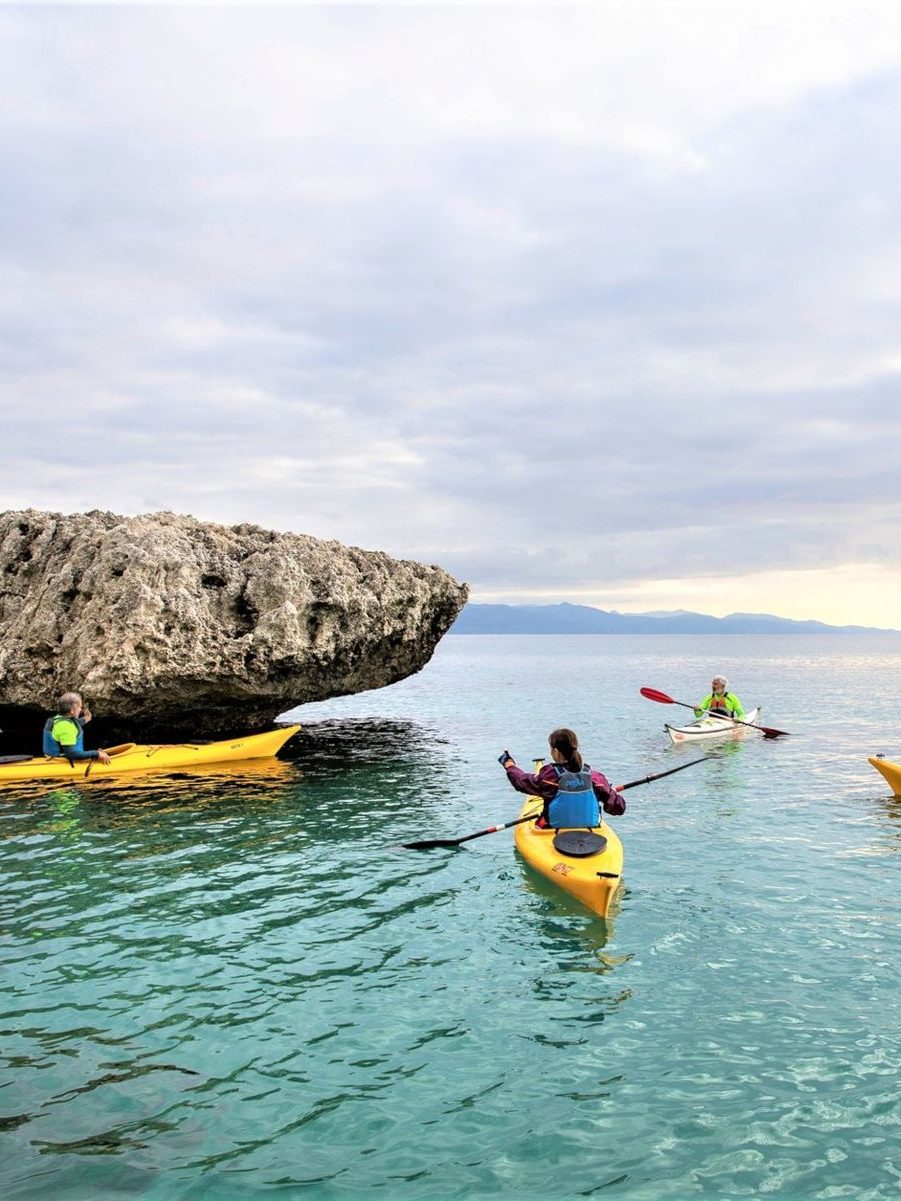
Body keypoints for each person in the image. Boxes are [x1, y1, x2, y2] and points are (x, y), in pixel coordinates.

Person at [499, 727, 624, 829]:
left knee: (542, 820)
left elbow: (521, 782)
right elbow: (618, 808)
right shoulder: (596, 778)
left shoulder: (549, 777)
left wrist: (510, 767)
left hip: (554, 829)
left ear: (556, 752)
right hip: (590, 831)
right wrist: (611, 793)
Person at [43, 693, 111, 764]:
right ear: (72, 710)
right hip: (62, 762)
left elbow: (76, 723)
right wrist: (97, 754)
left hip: (52, 759)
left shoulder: (58, 720)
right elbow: (72, 754)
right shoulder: (66, 728)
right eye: (80, 707)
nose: (80, 710)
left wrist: (87, 717)